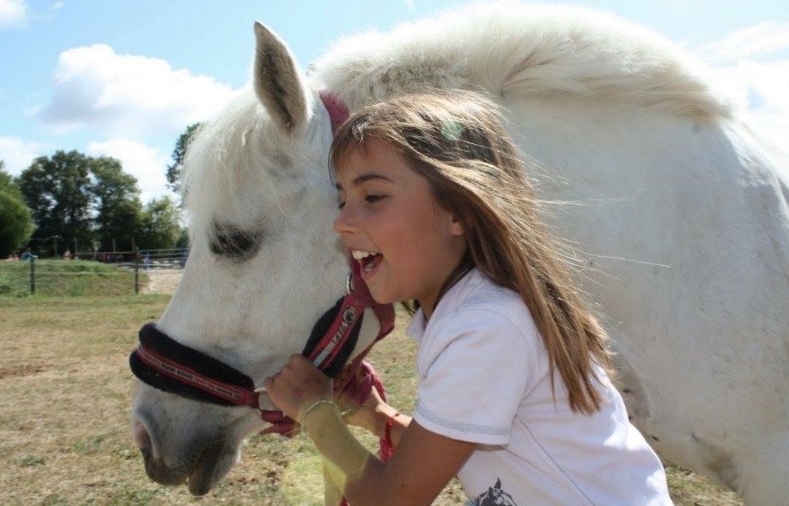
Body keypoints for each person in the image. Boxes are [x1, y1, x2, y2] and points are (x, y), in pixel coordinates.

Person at [264, 91, 672, 505]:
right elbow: (451, 449)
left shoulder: (487, 326)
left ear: (461, 211)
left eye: (372, 197)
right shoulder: (471, 313)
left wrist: (316, 412)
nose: (341, 222)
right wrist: (378, 417)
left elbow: (393, 500)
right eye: (342, 200)